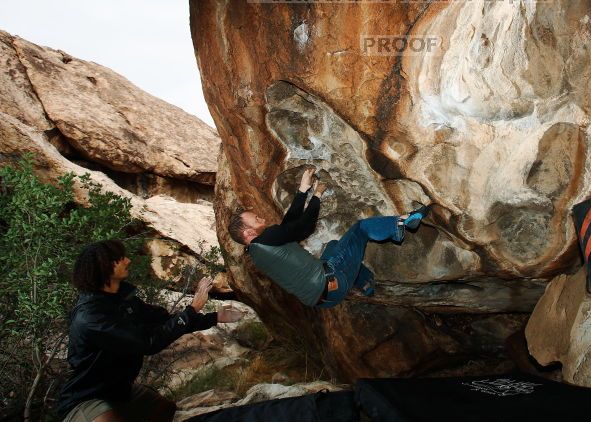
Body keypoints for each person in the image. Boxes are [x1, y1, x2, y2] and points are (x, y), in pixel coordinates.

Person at [57, 239, 243, 422]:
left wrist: (214, 317)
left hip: (118, 390)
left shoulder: (121, 298)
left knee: (164, 410)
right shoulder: (91, 317)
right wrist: (192, 309)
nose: (127, 260)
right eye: (121, 258)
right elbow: (148, 342)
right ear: (105, 266)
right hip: (87, 398)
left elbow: (163, 320)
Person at [227, 167, 431, 308]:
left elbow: (287, 227)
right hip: (333, 281)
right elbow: (303, 227)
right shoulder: (266, 239)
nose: (261, 218)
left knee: (335, 246)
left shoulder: (258, 251)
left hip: (325, 300)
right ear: (248, 233)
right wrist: (316, 196)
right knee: (361, 228)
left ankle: (366, 284)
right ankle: (402, 222)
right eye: (255, 219)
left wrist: (303, 190)